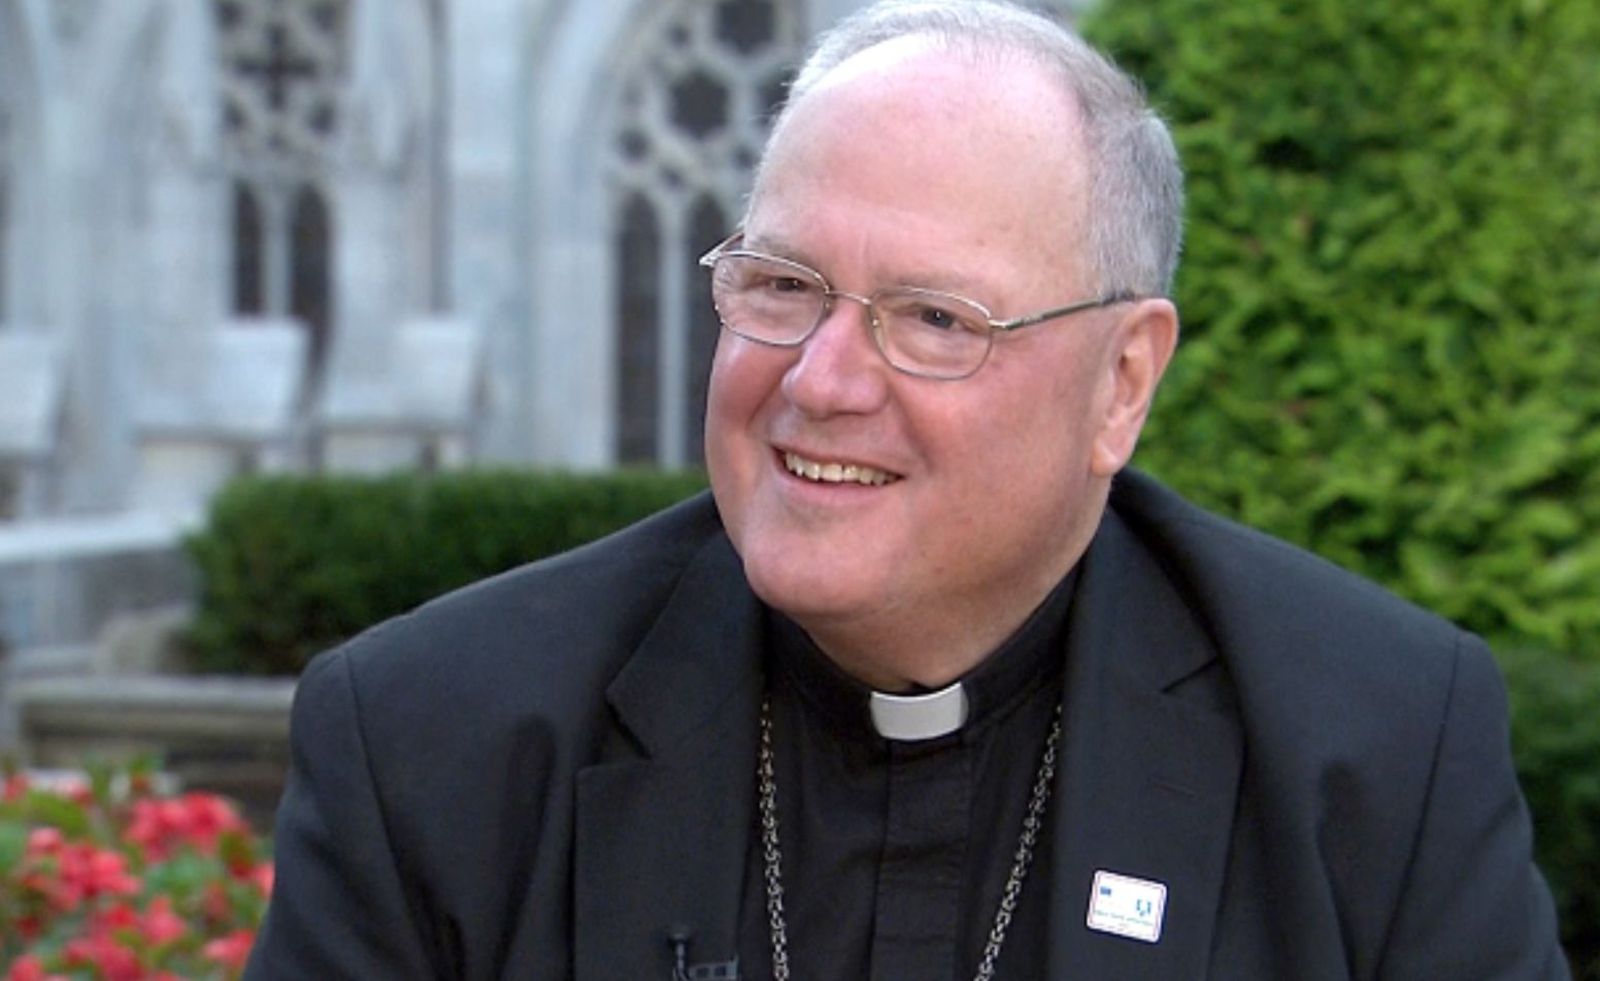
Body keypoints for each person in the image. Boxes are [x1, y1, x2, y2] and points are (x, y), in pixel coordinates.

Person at [245, 1, 1569, 978]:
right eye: (781, 285)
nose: (820, 379)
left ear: (1121, 382)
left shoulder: (1378, 749)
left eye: (935, 317)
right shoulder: (431, 740)